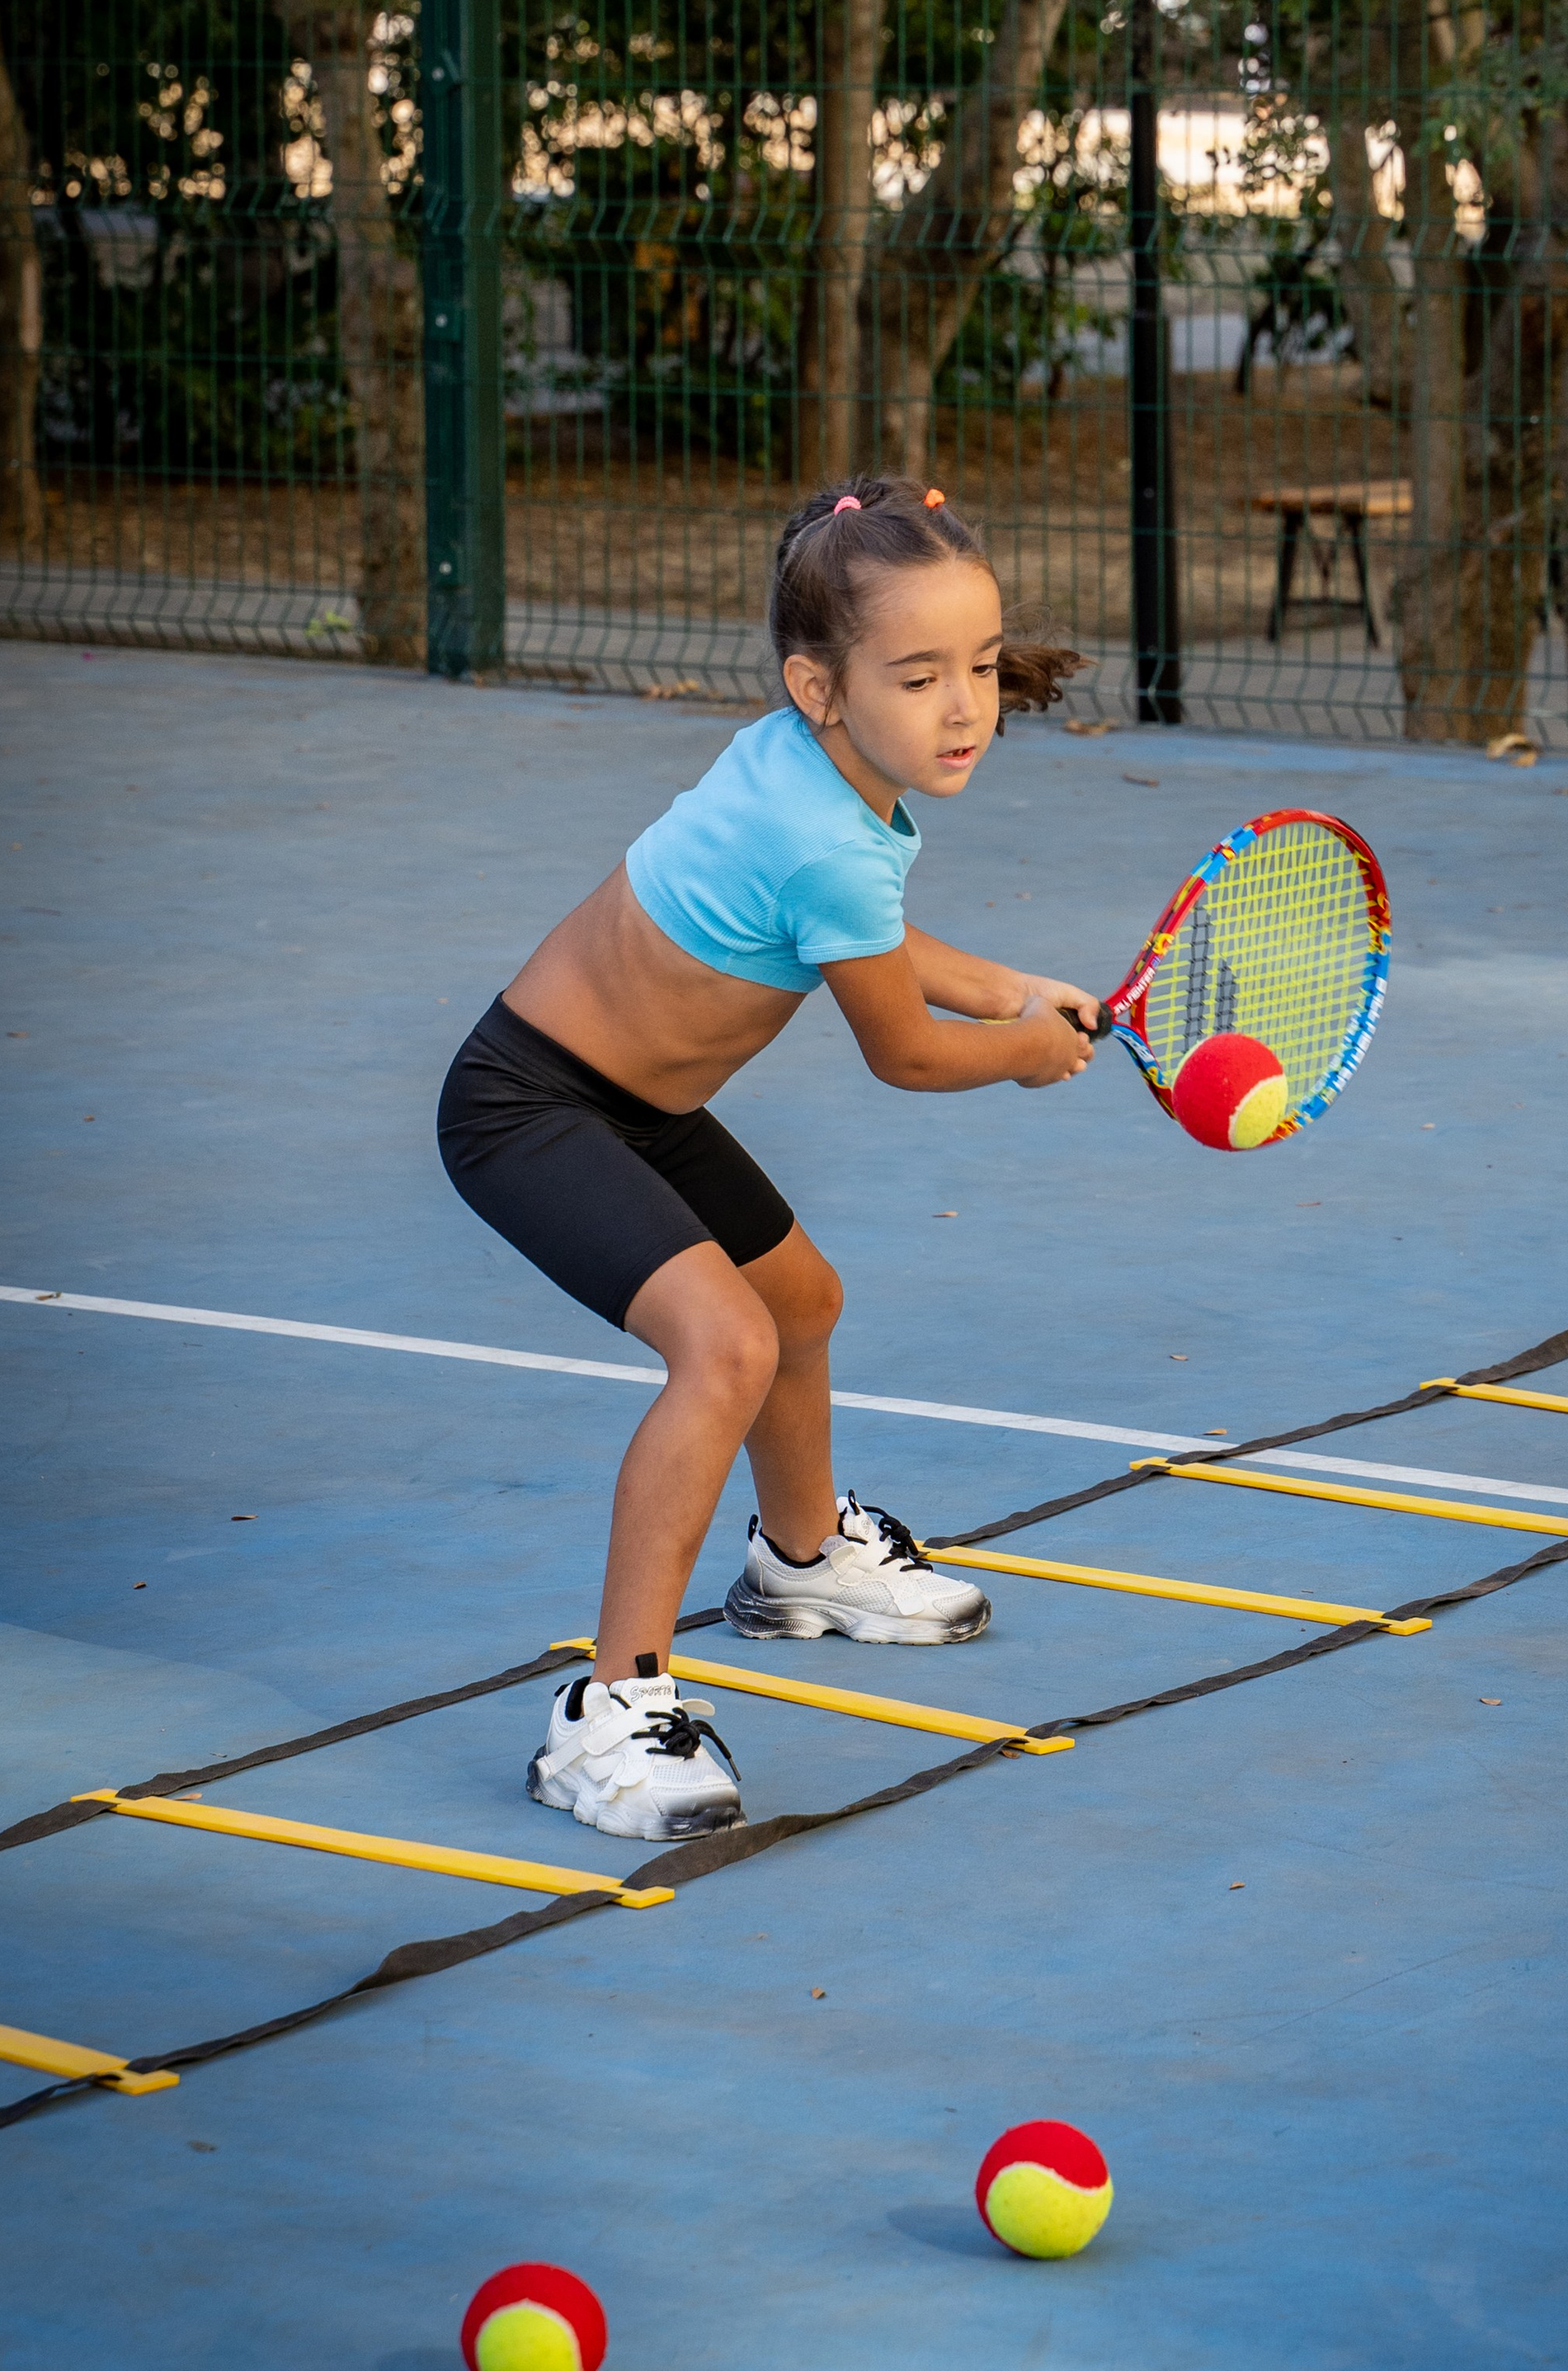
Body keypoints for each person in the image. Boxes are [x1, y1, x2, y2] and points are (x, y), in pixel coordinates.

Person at [436, 476, 1099, 1842]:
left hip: (637, 1101)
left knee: (801, 1301)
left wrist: (1007, 986)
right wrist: (1023, 1049)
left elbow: (868, 941)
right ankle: (609, 1707)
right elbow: (898, 1047)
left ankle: (805, 1561)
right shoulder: (824, 835)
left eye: (977, 666)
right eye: (920, 677)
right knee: (727, 1344)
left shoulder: (821, 774)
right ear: (821, 684)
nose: (966, 705)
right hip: (528, 1105)